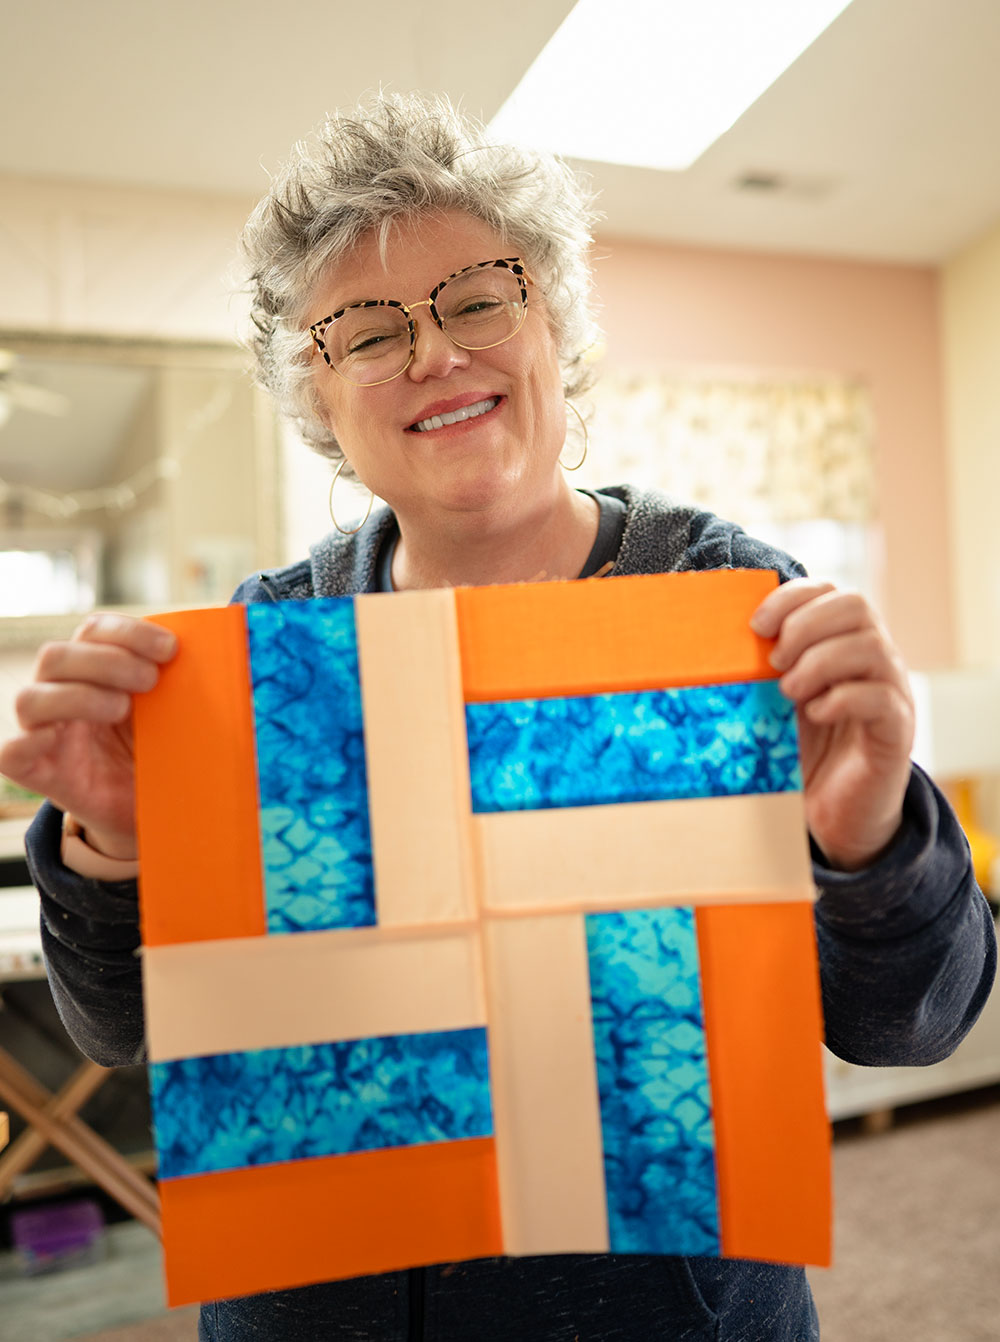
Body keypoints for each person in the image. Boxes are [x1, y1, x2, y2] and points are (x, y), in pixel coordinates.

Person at [0, 94, 994, 1342]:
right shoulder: (267, 655)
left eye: (477, 297)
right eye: (363, 331)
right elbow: (124, 1029)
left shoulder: (731, 609)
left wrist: (869, 840)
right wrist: (116, 851)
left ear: (553, 322)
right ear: (317, 397)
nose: (431, 354)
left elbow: (916, 1022)